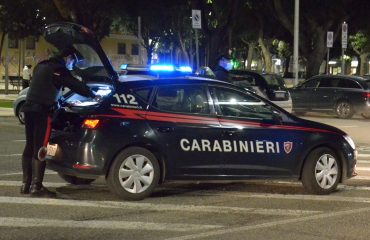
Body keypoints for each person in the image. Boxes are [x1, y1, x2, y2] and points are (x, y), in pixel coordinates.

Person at [20, 46, 97, 197]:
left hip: (29, 109)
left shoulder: (41, 66)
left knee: (30, 146)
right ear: (68, 58)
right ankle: (37, 187)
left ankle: (26, 184)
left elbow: (46, 88)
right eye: (73, 62)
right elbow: (75, 85)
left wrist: (60, 101)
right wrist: (92, 94)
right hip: (42, 112)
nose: (72, 66)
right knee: (41, 147)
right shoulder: (59, 70)